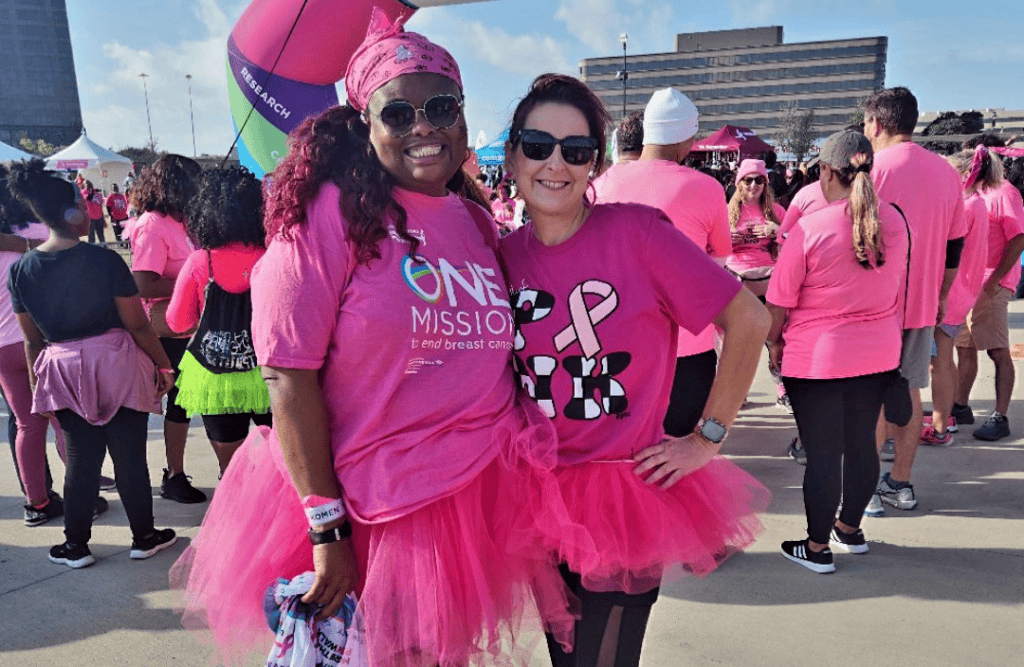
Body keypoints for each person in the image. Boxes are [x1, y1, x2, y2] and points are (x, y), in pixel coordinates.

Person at [171, 14, 576, 667]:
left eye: (441, 107)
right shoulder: (326, 217)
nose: (424, 127)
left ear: (464, 118)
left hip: (475, 499)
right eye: (399, 113)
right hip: (374, 512)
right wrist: (325, 526)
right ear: (365, 124)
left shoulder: (474, 217)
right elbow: (286, 377)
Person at [501, 73, 770, 667]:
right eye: (538, 144)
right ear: (513, 154)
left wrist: (709, 437)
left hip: (624, 493)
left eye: (576, 151)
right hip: (536, 495)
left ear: (595, 163)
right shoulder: (502, 256)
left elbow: (749, 320)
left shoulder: (638, 234)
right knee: (565, 655)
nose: (555, 164)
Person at [6, 159, 178, 569]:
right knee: (130, 455)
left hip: (61, 367)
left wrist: (37, 390)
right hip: (115, 360)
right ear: (71, 213)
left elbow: (33, 340)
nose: (89, 212)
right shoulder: (103, 260)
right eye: (83, 206)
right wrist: (163, 367)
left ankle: (76, 545)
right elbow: (137, 324)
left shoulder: (21, 271)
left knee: (81, 460)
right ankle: (144, 537)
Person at [766, 131, 908, 573]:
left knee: (823, 453)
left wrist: (774, 343)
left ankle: (815, 547)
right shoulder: (896, 223)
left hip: (819, 359)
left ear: (826, 172)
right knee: (862, 445)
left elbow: (778, 302)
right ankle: (849, 529)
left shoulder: (811, 228)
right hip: (878, 355)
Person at [594, 87, 731, 439]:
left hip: (616, 346)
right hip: (687, 347)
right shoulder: (707, 188)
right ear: (688, 139)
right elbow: (718, 264)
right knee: (677, 461)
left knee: (623, 460)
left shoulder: (600, 185)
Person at [863, 87, 966, 515]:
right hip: (922, 304)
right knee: (909, 391)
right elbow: (954, 246)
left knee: (868, 396)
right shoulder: (945, 172)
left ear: (877, 124)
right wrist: (940, 295)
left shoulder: (870, 169)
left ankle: (865, 490)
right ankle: (900, 483)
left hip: (872, 305)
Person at [165, 166, 271, 476]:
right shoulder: (273, 255)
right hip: (268, 373)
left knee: (233, 469)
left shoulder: (201, 261)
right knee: (286, 458)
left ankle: (239, 519)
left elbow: (177, 322)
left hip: (215, 377)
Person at [129, 154, 207, 504]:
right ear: (176, 185)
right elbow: (142, 284)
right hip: (169, 330)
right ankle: (174, 475)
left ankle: (176, 474)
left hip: (192, 325)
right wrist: (193, 282)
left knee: (191, 403)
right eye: (193, 182)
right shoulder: (152, 225)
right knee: (180, 404)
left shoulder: (182, 221)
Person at [0, 163, 68, 527]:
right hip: (37, 340)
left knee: (27, 425)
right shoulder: (41, 231)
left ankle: (36, 503)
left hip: (1, 346)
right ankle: (83, 496)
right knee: (63, 422)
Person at [952, 145, 1024, 441]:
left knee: (997, 351)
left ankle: (1001, 416)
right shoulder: (975, 194)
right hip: (970, 285)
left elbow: (1018, 237)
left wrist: (995, 281)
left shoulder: (1004, 193)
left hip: (993, 284)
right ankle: (960, 406)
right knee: (964, 349)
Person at [921, 150, 991, 446]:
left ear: (963, 175)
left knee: (940, 361)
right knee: (943, 360)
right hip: (961, 292)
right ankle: (943, 418)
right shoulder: (977, 204)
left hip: (950, 293)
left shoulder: (966, 206)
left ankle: (941, 425)